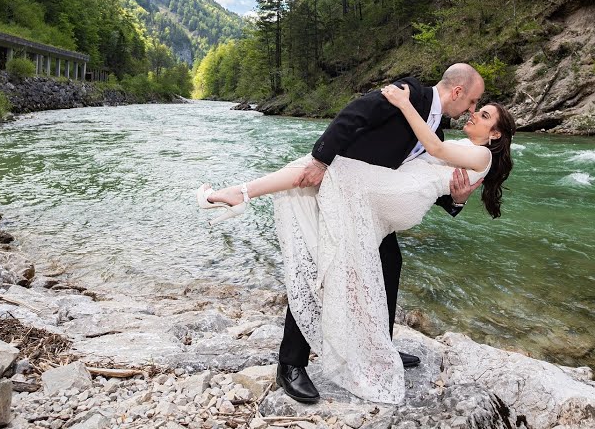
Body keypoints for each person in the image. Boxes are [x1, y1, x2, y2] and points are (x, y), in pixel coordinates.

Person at [194, 64, 517, 404]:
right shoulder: (409, 93)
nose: (470, 110)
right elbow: (354, 115)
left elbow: (426, 174)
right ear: (457, 92)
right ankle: (291, 364)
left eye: (478, 109)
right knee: (323, 263)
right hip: (348, 186)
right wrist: (321, 158)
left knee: (387, 264)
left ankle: (379, 349)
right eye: (473, 102)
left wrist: (458, 199)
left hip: (375, 199)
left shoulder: (439, 125)